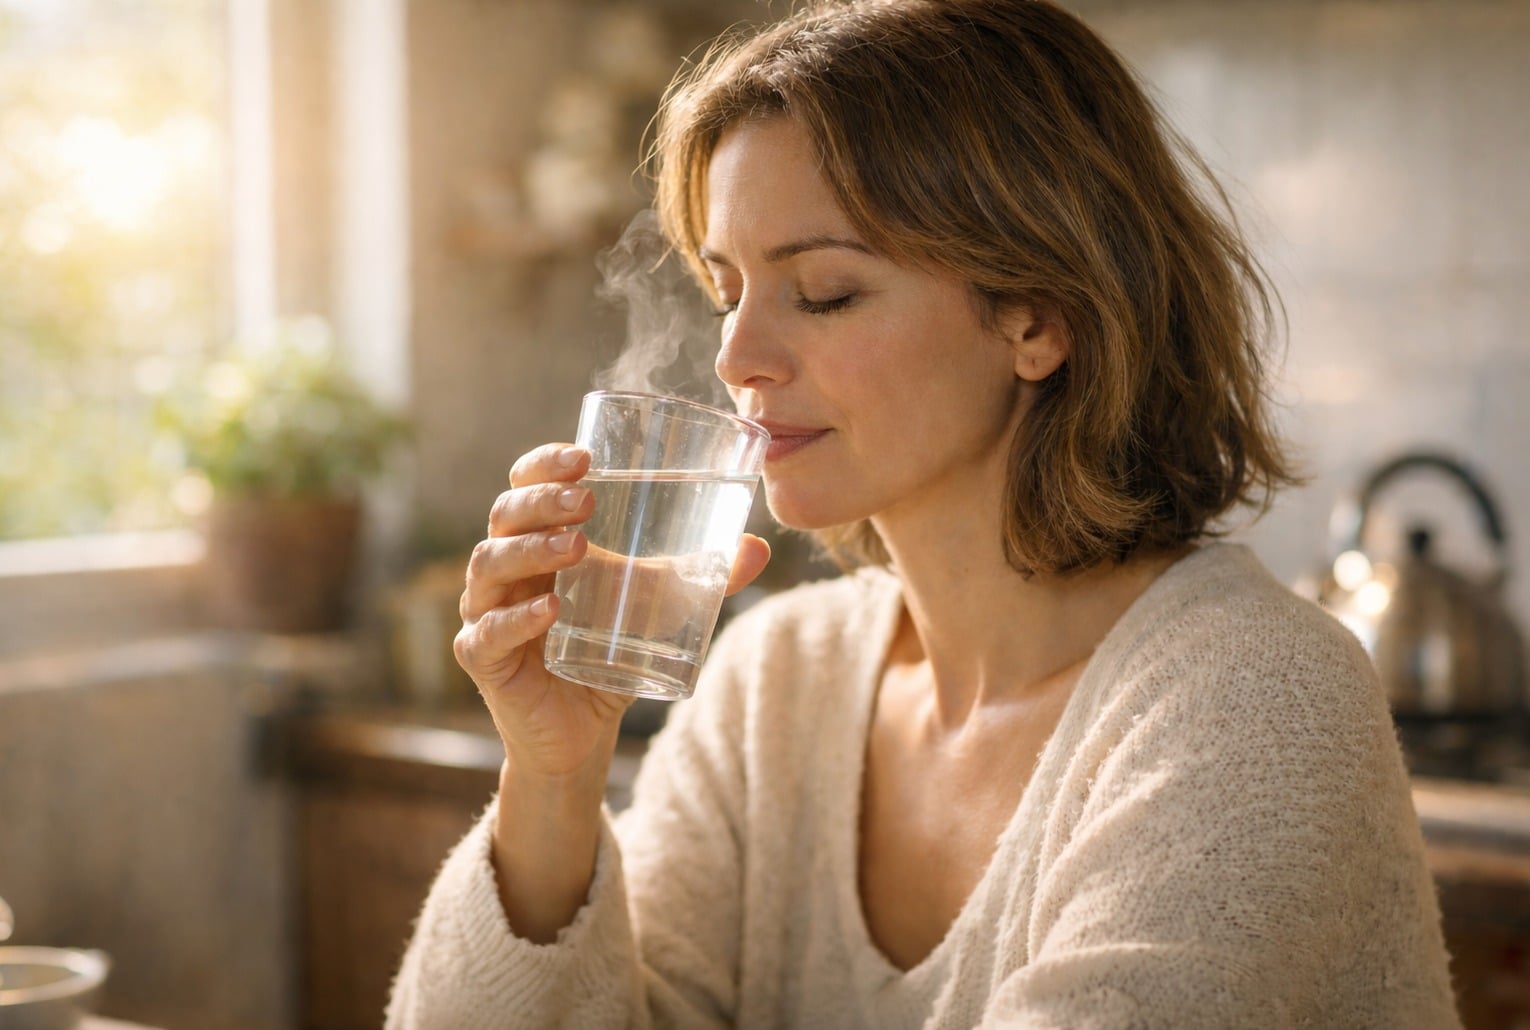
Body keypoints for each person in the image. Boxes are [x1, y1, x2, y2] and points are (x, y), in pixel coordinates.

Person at [387, 1, 1459, 1026]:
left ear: (1037, 320)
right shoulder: (777, 682)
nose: (735, 357)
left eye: (825, 292)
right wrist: (554, 777)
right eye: (726, 292)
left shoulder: (1251, 698)